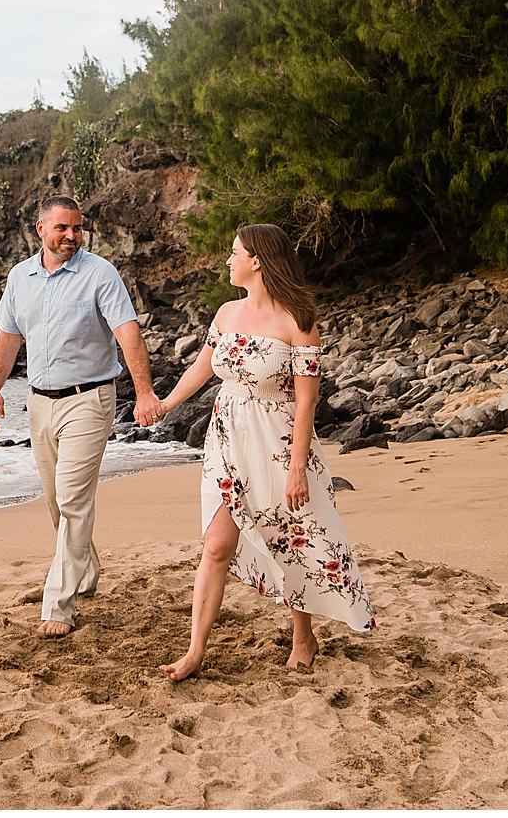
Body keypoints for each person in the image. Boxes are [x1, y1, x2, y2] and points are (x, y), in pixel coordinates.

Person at [143, 222, 375, 680]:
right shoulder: (227, 313)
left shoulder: (298, 321)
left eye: (235, 252)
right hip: (227, 439)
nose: (228, 260)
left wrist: (296, 468)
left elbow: (307, 399)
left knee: (290, 539)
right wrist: (165, 404)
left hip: (278, 443)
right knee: (216, 547)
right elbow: (204, 366)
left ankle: (303, 633)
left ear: (258, 261)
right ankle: (194, 652)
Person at [0, 195, 161, 637]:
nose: (71, 236)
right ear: (40, 229)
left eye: (77, 228)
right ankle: (84, 572)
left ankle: (58, 603)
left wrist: (145, 393)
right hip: (39, 401)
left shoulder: (100, 274)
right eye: (62, 228)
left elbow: (128, 334)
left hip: (89, 399)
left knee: (72, 499)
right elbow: (8, 337)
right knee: (55, 500)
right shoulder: (20, 277)